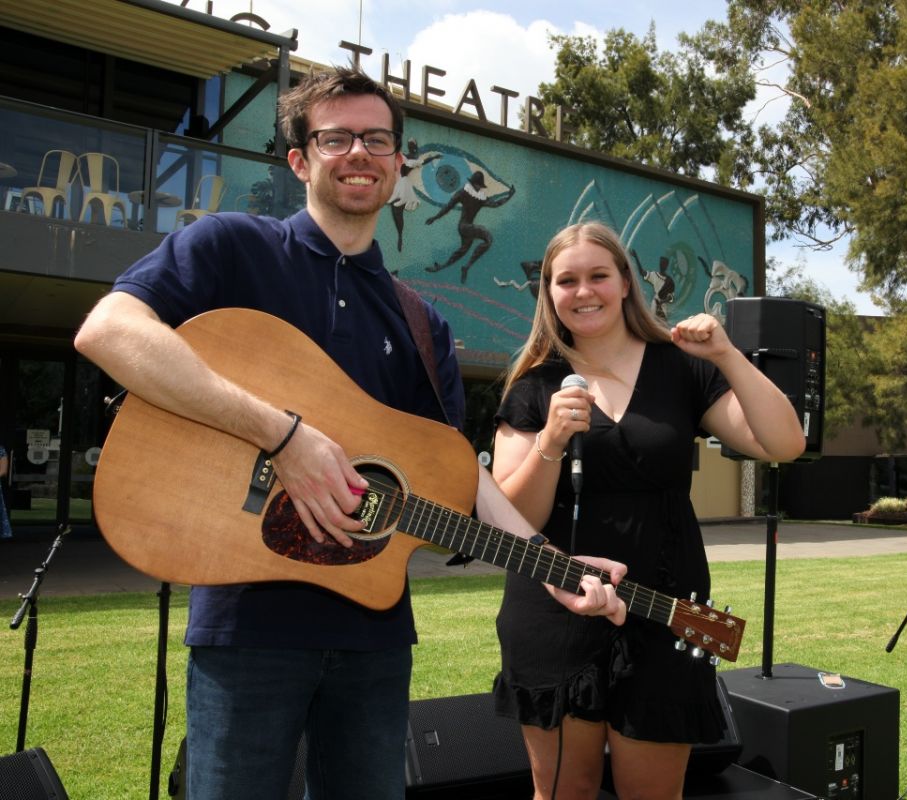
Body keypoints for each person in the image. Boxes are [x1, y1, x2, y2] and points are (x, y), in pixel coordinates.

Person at [73, 68, 626, 800]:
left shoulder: (424, 325)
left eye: (377, 139)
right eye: (335, 138)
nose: (359, 152)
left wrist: (549, 564)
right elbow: (109, 330)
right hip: (247, 629)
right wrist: (283, 438)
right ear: (300, 159)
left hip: (373, 638)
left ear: (400, 166)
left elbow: (453, 475)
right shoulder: (232, 248)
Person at [490, 221, 807, 799]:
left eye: (598, 276)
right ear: (549, 292)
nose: (583, 291)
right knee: (563, 793)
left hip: (669, 611)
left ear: (625, 283)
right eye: (567, 280)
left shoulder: (682, 367)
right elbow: (512, 521)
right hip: (556, 610)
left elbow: (785, 444)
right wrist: (550, 443)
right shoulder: (534, 387)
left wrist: (727, 354)